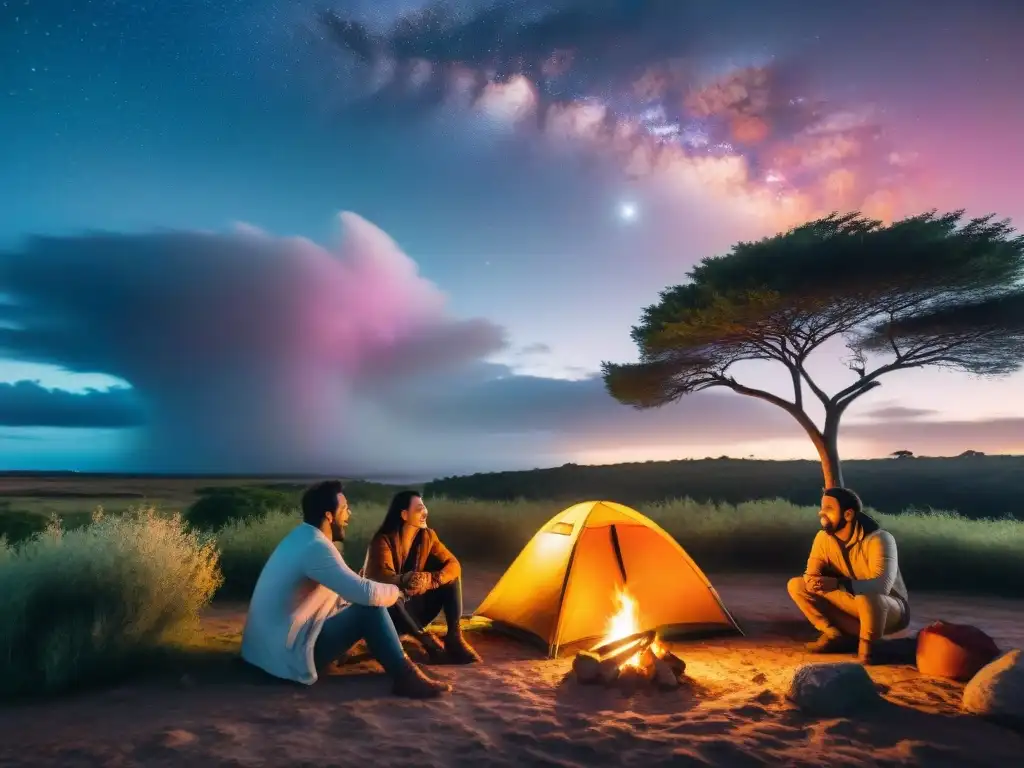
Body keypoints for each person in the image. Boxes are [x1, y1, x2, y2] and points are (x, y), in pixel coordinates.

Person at [240, 480, 452, 698]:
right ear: (329, 516)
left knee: (368, 601)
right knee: (370, 609)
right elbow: (366, 594)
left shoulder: (302, 538)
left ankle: (392, 654)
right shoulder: (316, 547)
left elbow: (343, 589)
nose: (348, 515)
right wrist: (398, 591)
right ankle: (406, 677)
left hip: (265, 651)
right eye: (343, 510)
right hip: (283, 657)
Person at [787, 487, 910, 665]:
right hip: (853, 604)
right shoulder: (823, 538)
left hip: (889, 612)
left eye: (829, 508)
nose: (821, 513)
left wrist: (837, 584)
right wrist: (813, 581)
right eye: (822, 508)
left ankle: (869, 647)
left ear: (848, 514)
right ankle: (835, 636)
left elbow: (881, 586)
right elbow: (810, 573)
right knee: (797, 585)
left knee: (867, 594)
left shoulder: (880, 539)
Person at [363, 490, 481, 665]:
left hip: (415, 608)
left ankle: (454, 637)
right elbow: (380, 578)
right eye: (419, 508)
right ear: (404, 514)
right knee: (391, 595)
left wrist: (432, 579)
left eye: (424, 507)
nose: (425, 512)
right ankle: (428, 643)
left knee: (450, 576)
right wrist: (407, 580)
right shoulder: (382, 541)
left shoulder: (427, 536)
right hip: (390, 614)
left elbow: (454, 565)